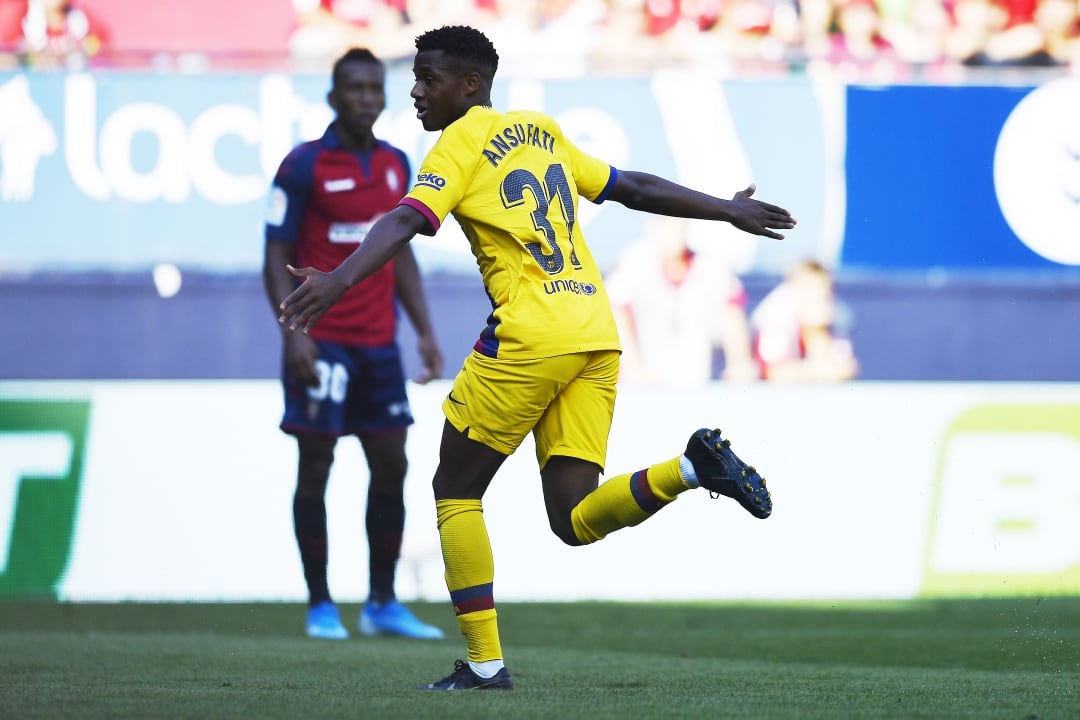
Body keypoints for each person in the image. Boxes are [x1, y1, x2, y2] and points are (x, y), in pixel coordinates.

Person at [277, 25, 795, 689]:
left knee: (455, 491)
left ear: (469, 85)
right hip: (594, 332)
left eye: (428, 78)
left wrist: (336, 278)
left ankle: (484, 665)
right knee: (574, 520)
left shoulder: (457, 141)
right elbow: (630, 186)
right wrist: (725, 209)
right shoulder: (538, 130)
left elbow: (407, 219)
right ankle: (692, 468)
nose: (415, 91)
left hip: (531, 336)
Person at [263, 47, 446, 642]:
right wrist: (293, 332)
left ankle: (382, 602)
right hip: (324, 343)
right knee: (316, 465)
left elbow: (403, 252)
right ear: (333, 97)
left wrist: (422, 331)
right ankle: (320, 604)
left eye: (375, 88)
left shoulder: (397, 164)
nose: (368, 98)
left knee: (391, 465)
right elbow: (272, 253)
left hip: (378, 348)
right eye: (356, 89)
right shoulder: (302, 166)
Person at [605, 215, 757, 385]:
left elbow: (732, 313)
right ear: (653, 226)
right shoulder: (632, 261)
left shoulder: (711, 265)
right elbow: (617, 315)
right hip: (647, 380)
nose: (673, 232)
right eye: (666, 223)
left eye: (678, 224)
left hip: (699, 378)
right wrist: (632, 366)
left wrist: (739, 363)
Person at [750, 259, 859, 382]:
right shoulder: (774, 316)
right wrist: (821, 371)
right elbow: (775, 373)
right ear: (795, 290)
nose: (820, 298)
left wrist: (817, 331)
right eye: (811, 290)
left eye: (824, 291)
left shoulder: (838, 313)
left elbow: (846, 369)